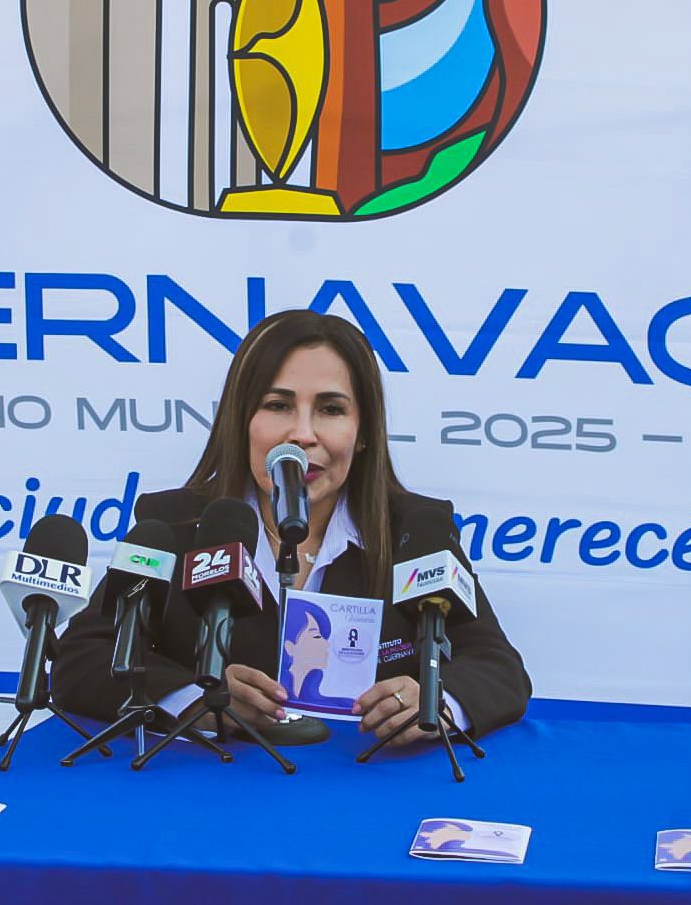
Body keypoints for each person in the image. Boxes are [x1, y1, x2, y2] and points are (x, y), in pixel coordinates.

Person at [54, 309, 531, 745]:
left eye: (331, 409)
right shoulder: (175, 524)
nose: (302, 434)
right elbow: (82, 659)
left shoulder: (415, 532)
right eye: (278, 405)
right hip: (213, 787)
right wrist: (195, 700)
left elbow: (497, 666)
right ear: (241, 420)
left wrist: (436, 704)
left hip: (368, 783)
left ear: (363, 433)